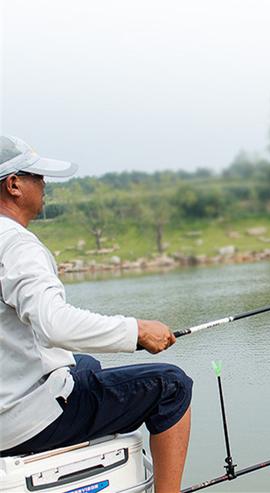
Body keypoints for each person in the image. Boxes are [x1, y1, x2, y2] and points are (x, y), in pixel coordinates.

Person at [0, 136, 192, 493]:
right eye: (37, 177)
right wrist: (136, 331)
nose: (44, 184)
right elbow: (54, 323)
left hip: (6, 403)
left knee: (84, 364)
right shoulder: (16, 245)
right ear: (13, 184)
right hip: (21, 421)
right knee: (172, 386)